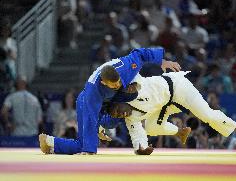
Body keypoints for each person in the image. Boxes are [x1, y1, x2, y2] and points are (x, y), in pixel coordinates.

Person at [39, 47, 181, 155]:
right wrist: (90, 148)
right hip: (90, 103)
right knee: (82, 145)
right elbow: (90, 117)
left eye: (118, 82)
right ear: (104, 83)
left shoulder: (128, 67)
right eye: (113, 85)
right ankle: (50, 142)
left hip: (112, 99)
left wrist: (162, 61)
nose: (117, 85)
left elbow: (140, 53)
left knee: (121, 112)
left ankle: (52, 144)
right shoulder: (92, 91)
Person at [106, 71, 236, 154]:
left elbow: (133, 73)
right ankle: (180, 132)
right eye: (118, 116)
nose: (121, 114)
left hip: (178, 88)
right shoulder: (130, 118)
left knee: (206, 115)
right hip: (163, 105)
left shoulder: (132, 88)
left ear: (120, 100)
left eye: (119, 110)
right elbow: (137, 134)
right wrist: (141, 149)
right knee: (151, 128)